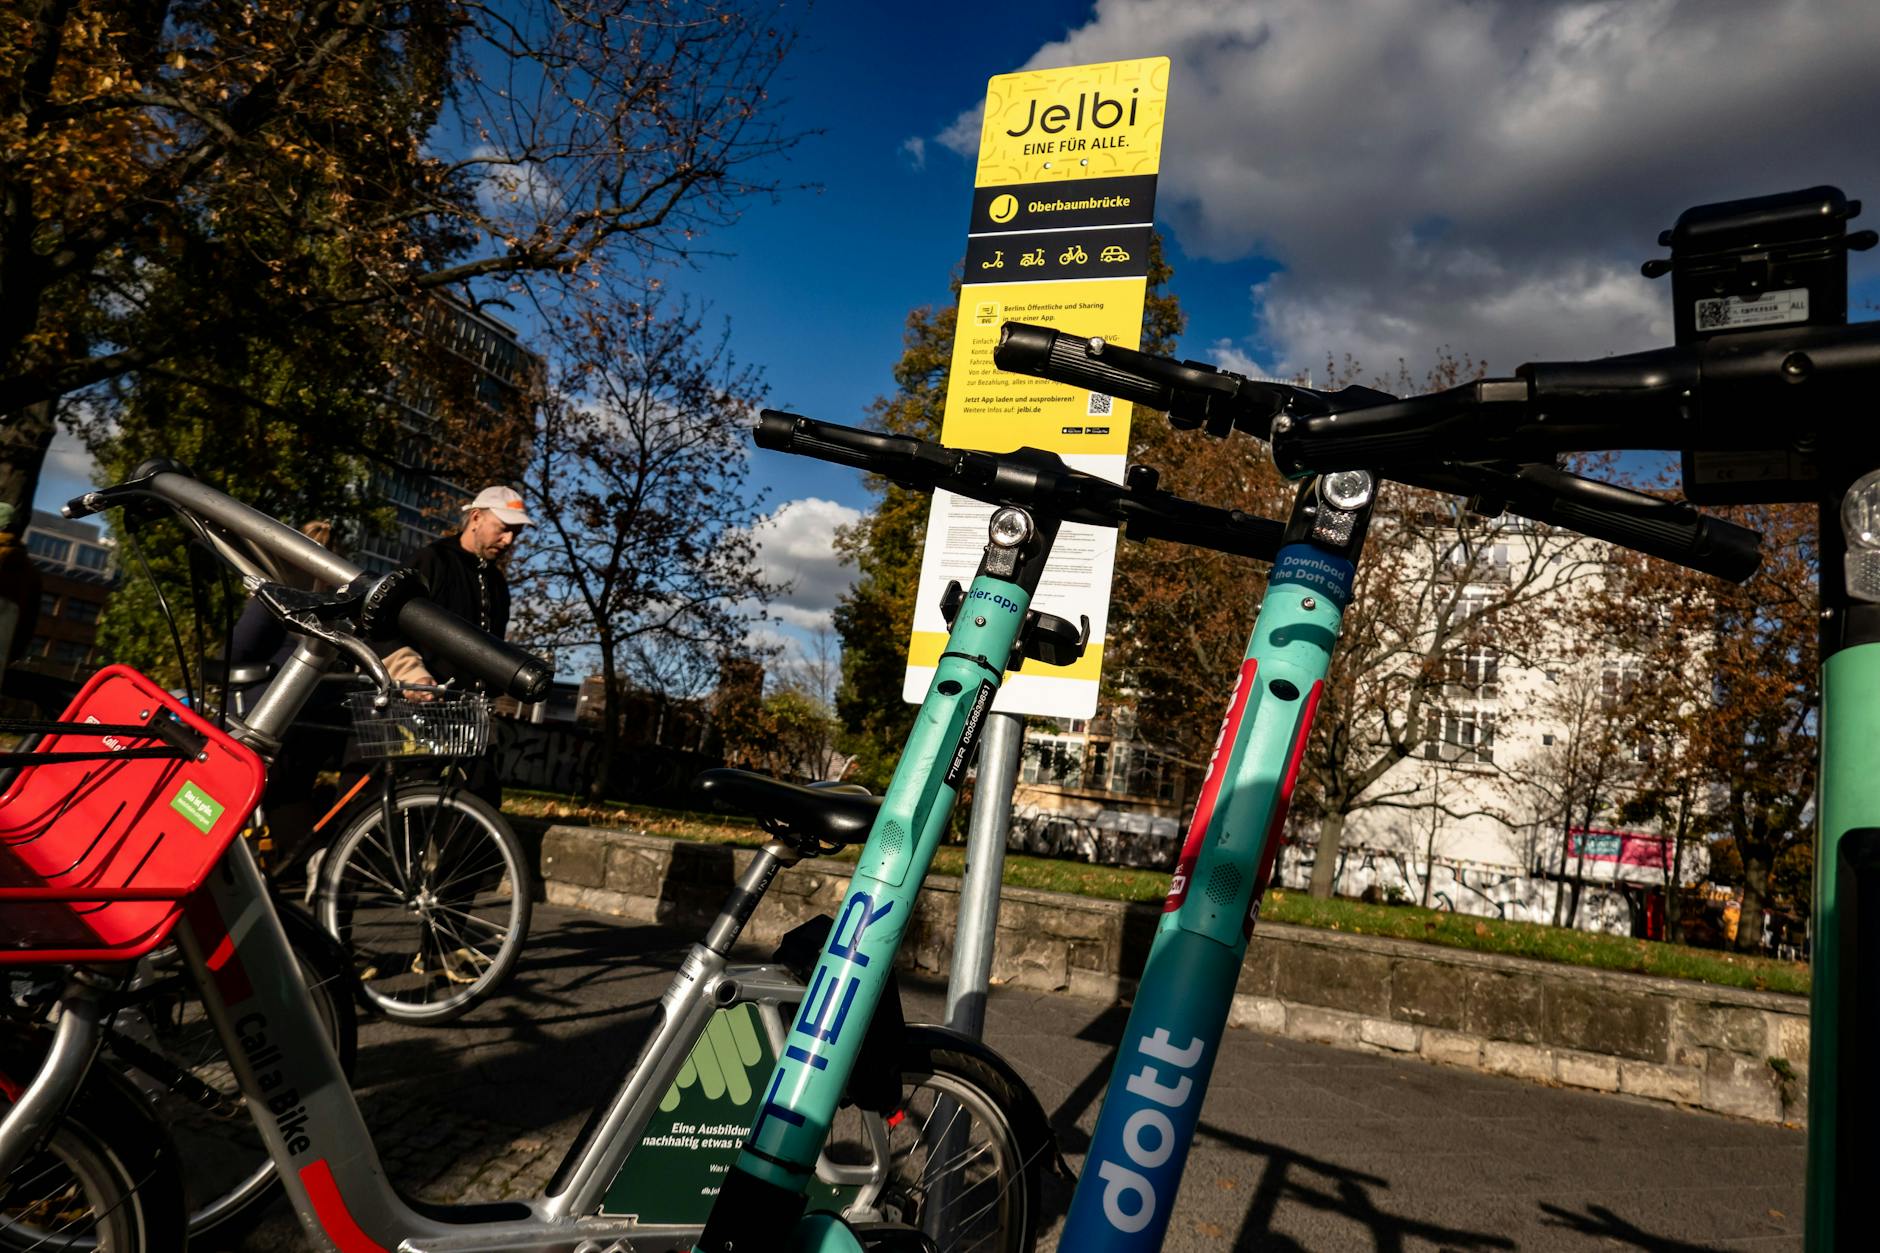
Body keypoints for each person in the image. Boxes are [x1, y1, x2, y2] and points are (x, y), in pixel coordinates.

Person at [381, 486, 530, 692]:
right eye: (503, 528)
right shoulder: (432, 560)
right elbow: (379, 621)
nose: (509, 540)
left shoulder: (497, 583)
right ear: (476, 517)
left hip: (470, 712)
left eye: (516, 533)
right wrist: (411, 673)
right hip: (415, 705)